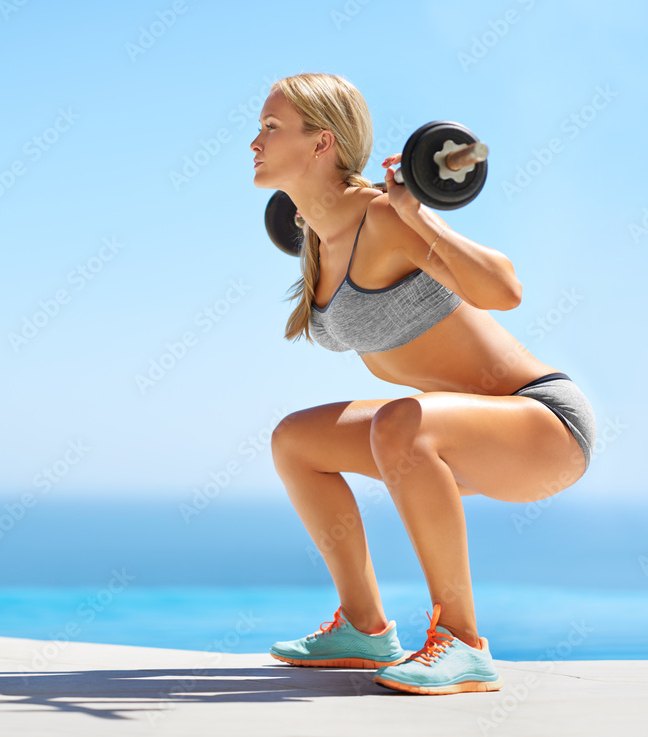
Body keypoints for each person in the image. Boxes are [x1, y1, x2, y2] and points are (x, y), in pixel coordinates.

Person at [250, 72, 596, 696]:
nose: (255, 141)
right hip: (448, 434)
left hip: (543, 426)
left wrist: (417, 214)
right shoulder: (316, 239)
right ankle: (363, 626)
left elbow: (506, 290)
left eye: (271, 128)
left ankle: (463, 642)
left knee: (400, 419)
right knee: (295, 441)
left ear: (321, 142)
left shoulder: (383, 218)